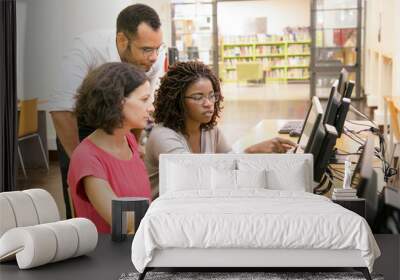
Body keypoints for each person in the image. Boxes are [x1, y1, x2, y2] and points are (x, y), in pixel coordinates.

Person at [47, 4, 164, 218]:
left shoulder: (152, 57)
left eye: (158, 48)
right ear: (122, 40)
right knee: (83, 192)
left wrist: (133, 143)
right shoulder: (86, 48)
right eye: (147, 49)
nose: (155, 56)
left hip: (124, 120)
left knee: (127, 182)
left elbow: (140, 104)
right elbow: (61, 108)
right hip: (78, 119)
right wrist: (81, 162)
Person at [145, 61, 296, 198]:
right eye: (198, 97)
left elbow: (229, 164)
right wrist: (249, 153)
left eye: (212, 96)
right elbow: (196, 176)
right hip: (168, 214)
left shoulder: (209, 130)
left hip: (196, 203)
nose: (208, 103)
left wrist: (255, 151)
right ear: (176, 100)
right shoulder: (164, 136)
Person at [67, 62, 153, 233]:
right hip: (108, 256)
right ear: (117, 102)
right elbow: (121, 222)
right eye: (144, 100)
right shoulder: (87, 158)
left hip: (137, 246)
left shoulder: (128, 140)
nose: (151, 107)